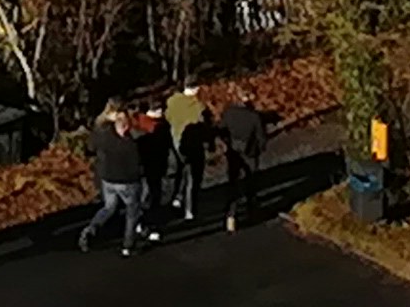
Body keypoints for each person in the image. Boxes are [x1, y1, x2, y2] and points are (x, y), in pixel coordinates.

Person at [80, 105, 158, 251]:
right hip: (128, 182)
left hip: (108, 180)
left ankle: (90, 230)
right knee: (132, 211)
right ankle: (128, 244)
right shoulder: (132, 144)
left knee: (108, 208)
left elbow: (91, 147)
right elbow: (139, 164)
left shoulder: (104, 136)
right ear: (127, 126)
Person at [217, 89, 272, 231]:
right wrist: (260, 148)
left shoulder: (229, 113)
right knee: (251, 182)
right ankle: (252, 211)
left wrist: (227, 143)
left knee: (233, 183)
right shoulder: (254, 116)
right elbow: (261, 138)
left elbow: (221, 130)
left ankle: (231, 215)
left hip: (233, 151)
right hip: (250, 152)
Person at [163, 81, 214, 224]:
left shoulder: (172, 101)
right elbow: (206, 127)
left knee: (179, 172)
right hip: (193, 146)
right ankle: (190, 210)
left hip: (175, 143)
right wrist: (211, 144)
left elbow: (167, 118)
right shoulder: (199, 107)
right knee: (193, 177)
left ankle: (177, 197)